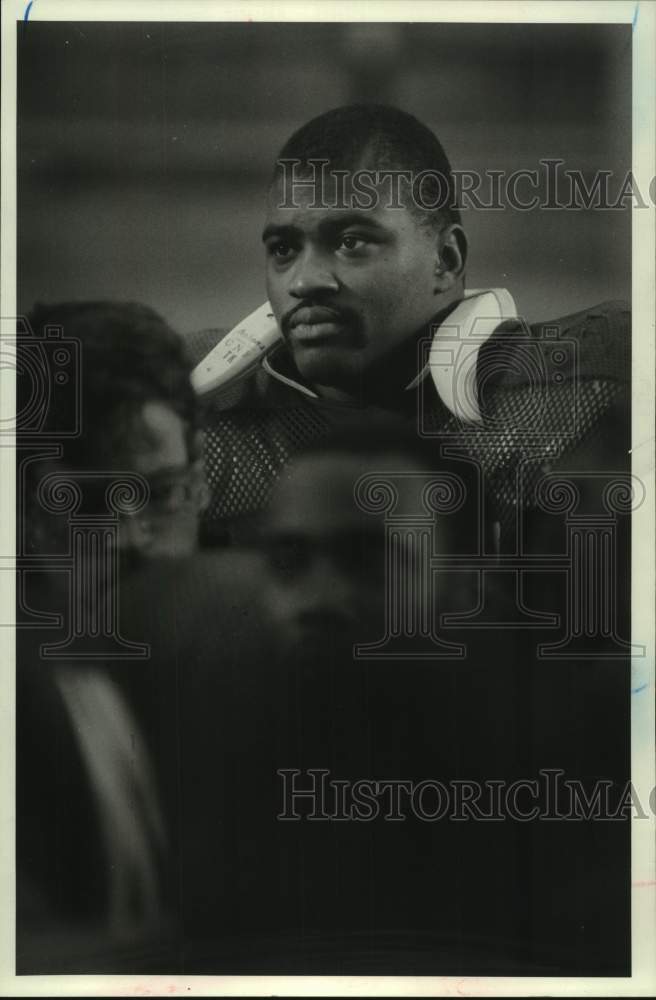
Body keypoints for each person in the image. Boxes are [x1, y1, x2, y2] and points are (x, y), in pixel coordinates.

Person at [188, 103, 630, 550]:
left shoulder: (593, 378)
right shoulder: (191, 407)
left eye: (350, 242)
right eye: (283, 249)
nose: (303, 281)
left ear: (446, 259)